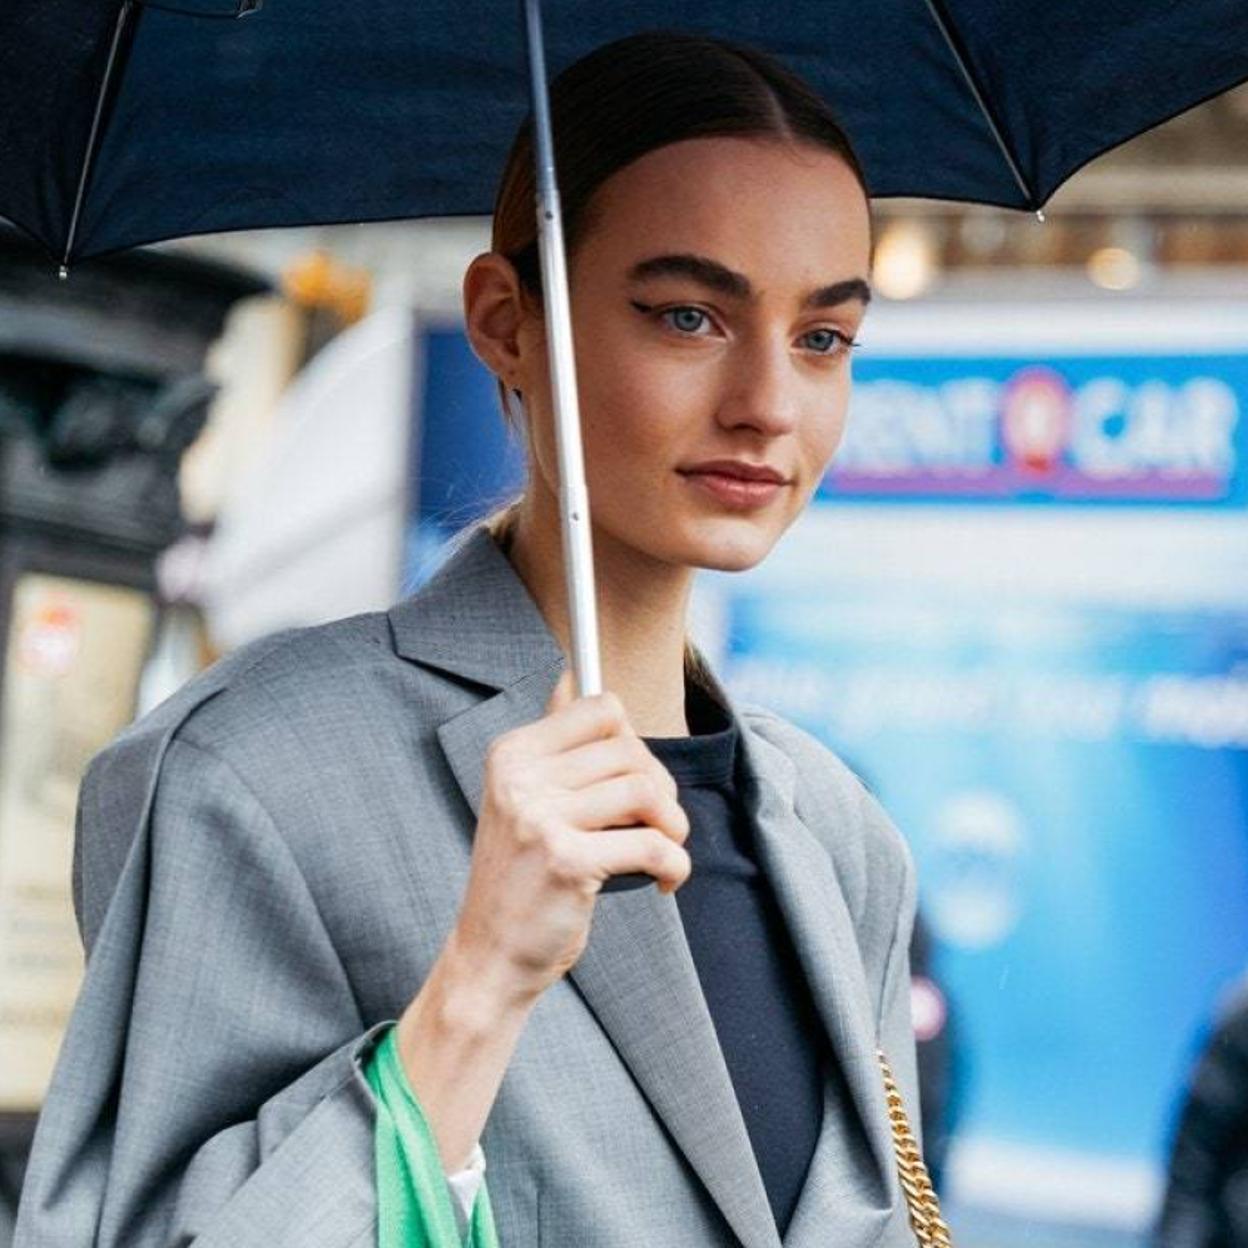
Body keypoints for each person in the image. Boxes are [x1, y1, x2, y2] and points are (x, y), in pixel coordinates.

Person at [14, 30, 929, 1248]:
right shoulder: (250, 776)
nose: (768, 400)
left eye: (823, 337)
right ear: (506, 323)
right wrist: (476, 988)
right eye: (689, 316)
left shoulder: (838, 836)